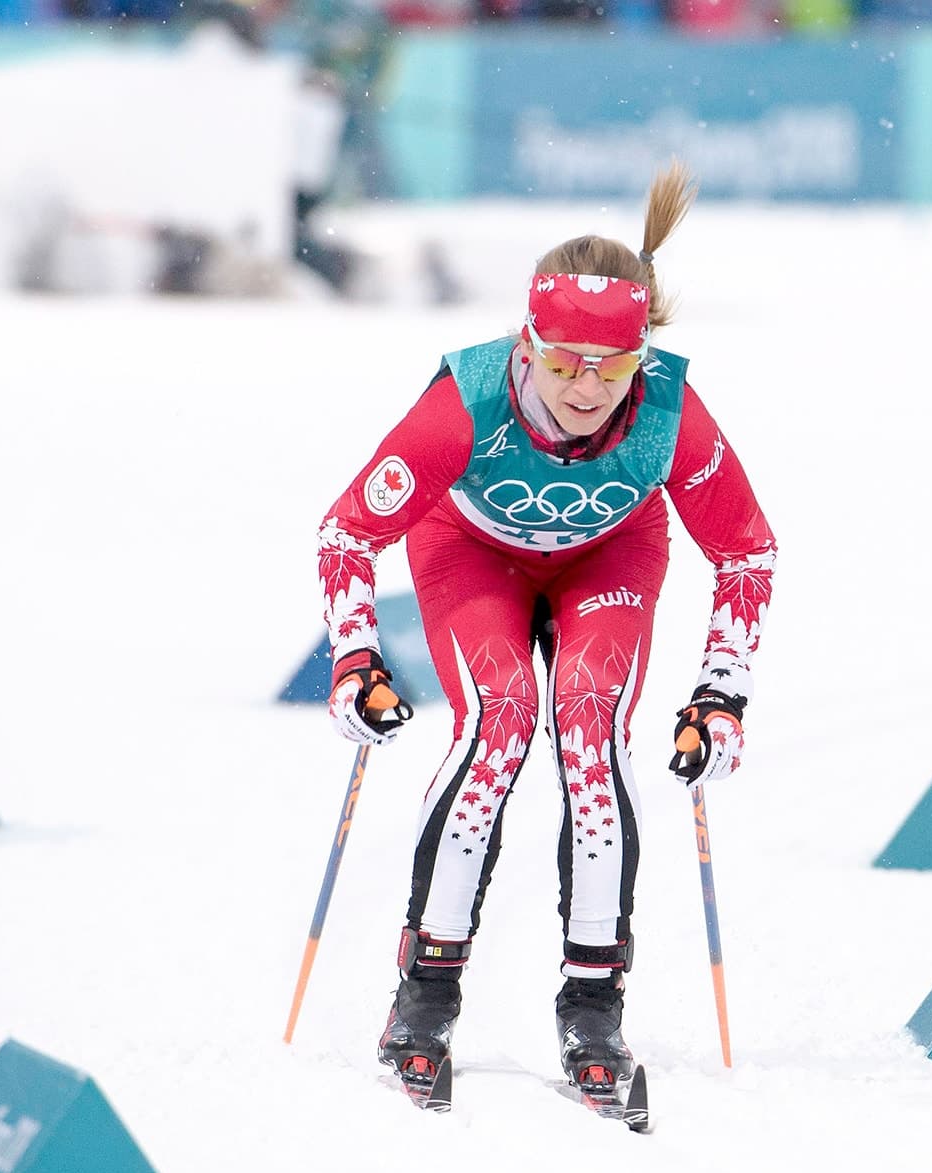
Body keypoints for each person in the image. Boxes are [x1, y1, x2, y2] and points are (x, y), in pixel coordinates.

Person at [314, 162, 776, 1104]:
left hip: (609, 558)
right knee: (500, 720)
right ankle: (425, 995)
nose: (585, 388)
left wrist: (720, 693)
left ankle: (594, 1005)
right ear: (526, 344)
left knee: (591, 723)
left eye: (611, 367)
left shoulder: (669, 412)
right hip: (471, 554)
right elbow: (347, 532)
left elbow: (747, 552)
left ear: (641, 357)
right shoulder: (468, 401)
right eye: (562, 363)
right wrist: (355, 657)